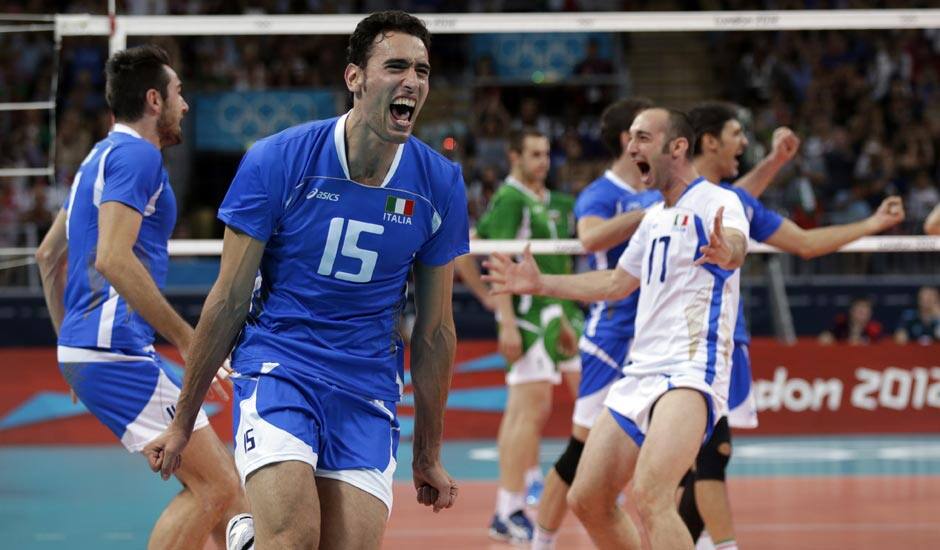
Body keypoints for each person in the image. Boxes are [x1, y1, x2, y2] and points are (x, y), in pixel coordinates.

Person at [144, 11, 468, 549]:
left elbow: (434, 332)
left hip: (366, 385)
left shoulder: (440, 184)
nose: (413, 80)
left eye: (423, 69)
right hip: (281, 363)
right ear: (354, 78)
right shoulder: (278, 160)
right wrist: (184, 420)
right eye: (396, 66)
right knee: (293, 540)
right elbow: (226, 301)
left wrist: (428, 453)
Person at [485, 107, 750, 549]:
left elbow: (738, 246)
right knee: (587, 497)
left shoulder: (718, 202)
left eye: (644, 138)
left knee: (650, 495)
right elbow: (613, 282)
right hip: (640, 370)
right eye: (631, 139)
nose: (631, 148)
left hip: (690, 369)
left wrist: (729, 251)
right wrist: (541, 282)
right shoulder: (654, 218)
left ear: (678, 147)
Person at [34, 44, 249, 550]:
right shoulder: (138, 157)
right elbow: (112, 256)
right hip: (115, 353)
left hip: (97, 351)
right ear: (155, 100)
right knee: (217, 487)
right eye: (178, 93)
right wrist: (188, 339)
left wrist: (72, 347)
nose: (186, 105)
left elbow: (48, 256)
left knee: (218, 489)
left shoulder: (98, 157)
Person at [680, 101, 906, 550]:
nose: (744, 142)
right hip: (681, 347)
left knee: (698, 460)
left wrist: (872, 223)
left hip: (719, 345)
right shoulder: (667, 199)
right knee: (702, 459)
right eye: (735, 134)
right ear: (708, 142)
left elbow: (803, 242)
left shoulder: (733, 201)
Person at [531, 97, 661, 550]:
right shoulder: (602, 194)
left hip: (655, 335)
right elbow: (588, 237)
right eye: (647, 131)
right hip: (612, 335)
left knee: (666, 453)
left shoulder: (666, 188)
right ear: (629, 140)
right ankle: (540, 543)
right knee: (579, 452)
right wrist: (648, 213)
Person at [455, 127, 582, 544]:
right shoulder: (511, 198)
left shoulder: (539, 200)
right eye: (534, 154)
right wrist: (501, 313)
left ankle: (522, 490)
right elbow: (482, 252)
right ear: (514, 157)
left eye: (547, 153)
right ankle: (508, 509)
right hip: (527, 318)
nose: (543, 161)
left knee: (530, 411)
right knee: (528, 410)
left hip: (551, 312)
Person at [819, 297, 884, 345]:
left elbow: (881, 343)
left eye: (865, 311)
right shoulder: (841, 324)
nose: (862, 314)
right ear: (851, 311)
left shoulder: (874, 329)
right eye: (859, 310)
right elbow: (826, 337)